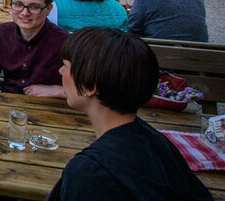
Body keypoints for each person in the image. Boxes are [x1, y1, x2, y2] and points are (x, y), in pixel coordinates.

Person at [46, 27, 212, 201]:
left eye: (65, 66)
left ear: (90, 86)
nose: (60, 72)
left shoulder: (90, 172)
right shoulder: (156, 141)